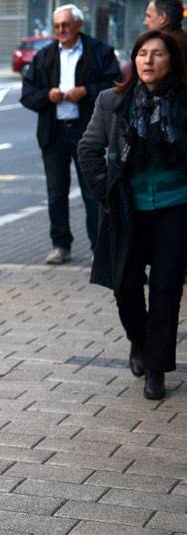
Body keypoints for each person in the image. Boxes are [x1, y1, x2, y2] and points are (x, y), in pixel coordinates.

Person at [78, 29, 187, 400]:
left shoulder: (184, 102)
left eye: (157, 54)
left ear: (171, 60)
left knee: (165, 290)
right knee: (125, 285)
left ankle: (156, 368)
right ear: (133, 59)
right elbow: (89, 149)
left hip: (175, 207)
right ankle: (139, 342)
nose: (148, 61)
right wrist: (106, 193)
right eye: (142, 54)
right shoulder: (113, 101)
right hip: (128, 210)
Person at [20, 4, 120, 265]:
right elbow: (27, 94)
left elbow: (115, 85)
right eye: (57, 26)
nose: (61, 30)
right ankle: (60, 244)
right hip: (53, 134)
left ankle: (100, 247)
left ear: (78, 25)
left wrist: (86, 91)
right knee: (56, 193)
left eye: (66, 25)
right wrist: (47, 96)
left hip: (87, 133)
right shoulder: (44, 57)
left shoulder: (99, 51)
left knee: (93, 191)